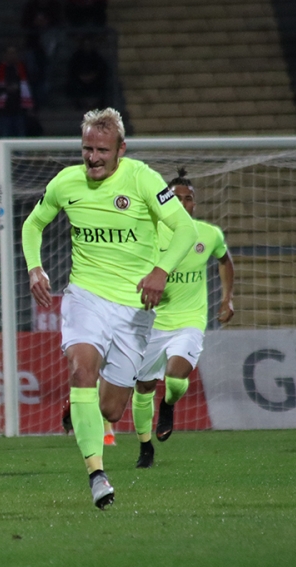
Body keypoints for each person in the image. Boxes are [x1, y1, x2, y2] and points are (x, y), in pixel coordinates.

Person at [21, 108, 197, 509]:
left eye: (102, 150)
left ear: (121, 150)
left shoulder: (142, 179)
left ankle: (80, 403)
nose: (93, 157)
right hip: (86, 295)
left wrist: (160, 271)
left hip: (134, 309)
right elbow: (33, 224)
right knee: (82, 369)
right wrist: (35, 268)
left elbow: (185, 229)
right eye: (87, 148)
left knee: (111, 410)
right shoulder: (66, 182)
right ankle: (97, 475)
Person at [130, 168, 235, 468]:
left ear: (194, 204)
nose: (184, 203)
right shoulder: (149, 233)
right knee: (143, 388)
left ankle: (169, 404)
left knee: (176, 379)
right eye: (177, 198)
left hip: (190, 320)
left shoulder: (208, 235)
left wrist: (227, 298)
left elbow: (225, 261)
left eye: (189, 199)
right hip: (151, 322)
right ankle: (145, 446)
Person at [0, 45, 33, 138]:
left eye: (14, 53)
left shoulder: (23, 69)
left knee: (20, 136)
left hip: (20, 109)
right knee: (5, 136)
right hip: (4, 110)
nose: (12, 56)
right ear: (5, 55)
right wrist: (6, 89)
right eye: (9, 53)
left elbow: (29, 86)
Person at [65, 35, 109, 109]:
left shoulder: (97, 57)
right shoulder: (76, 57)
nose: (87, 46)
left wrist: (92, 76)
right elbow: (73, 70)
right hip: (79, 81)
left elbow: (101, 69)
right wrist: (82, 77)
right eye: (85, 44)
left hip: (95, 81)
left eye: (89, 44)